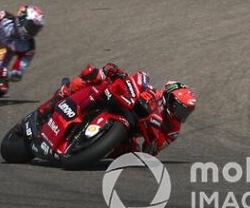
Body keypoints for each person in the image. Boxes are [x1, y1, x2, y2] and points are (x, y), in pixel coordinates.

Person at [34, 63, 196, 157]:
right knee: (96, 76)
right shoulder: (155, 93)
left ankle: (89, 150)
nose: (182, 115)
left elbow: (153, 150)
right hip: (121, 102)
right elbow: (139, 79)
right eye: (181, 109)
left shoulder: (173, 129)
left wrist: (152, 146)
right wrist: (120, 75)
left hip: (129, 130)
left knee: (131, 152)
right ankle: (56, 100)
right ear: (169, 99)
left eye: (186, 112)